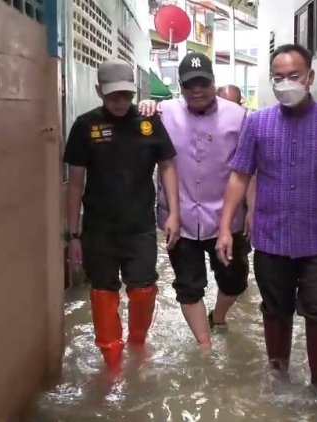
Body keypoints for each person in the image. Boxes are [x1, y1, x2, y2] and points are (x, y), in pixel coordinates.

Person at [215, 44, 317, 393]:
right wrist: (225, 227)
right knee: (275, 309)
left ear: (310, 77)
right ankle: (278, 377)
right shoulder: (256, 123)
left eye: (294, 76)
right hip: (271, 239)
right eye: (278, 77)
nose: (286, 83)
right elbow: (240, 176)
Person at [63, 59, 180, 372]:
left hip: (140, 227)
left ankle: (138, 346)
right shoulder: (84, 126)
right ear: (99, 91)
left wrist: (174, 214)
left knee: (143, 290)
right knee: (103, 292)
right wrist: (73, 234)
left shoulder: (149, 122)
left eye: (126, 95)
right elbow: (75, 183)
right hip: (99, 230)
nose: (120, 102)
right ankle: (111, 362)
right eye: (113, 95)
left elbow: (167, 165)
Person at [139, 52, 252, 351]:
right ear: (181, 86)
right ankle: (205, 349)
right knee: (188, 287)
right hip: (180, 219)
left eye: (203, 83)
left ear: (214, 82)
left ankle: (220, 316)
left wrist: (252, 210)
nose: (197, 90)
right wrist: (144, 106)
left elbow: (247, 169)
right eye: (190, 85)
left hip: (226, 220)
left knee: (235, 281)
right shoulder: (162, 112)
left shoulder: (238, 117)